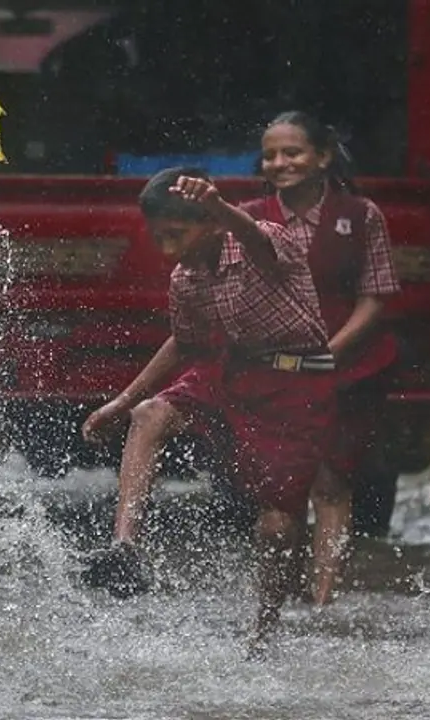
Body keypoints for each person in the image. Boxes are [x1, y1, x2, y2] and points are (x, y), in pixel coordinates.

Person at [80, 166, 336, 654]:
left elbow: (255, 238)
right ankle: (126, 548)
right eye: (158, 236)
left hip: (295, 382)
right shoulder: (185, 278)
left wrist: (221, 208)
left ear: (213, 223)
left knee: (278, 523)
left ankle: (264, 631)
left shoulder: (264, 240)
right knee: (149, 415)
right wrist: (122, 400)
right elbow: (185, 341)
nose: (167, 248)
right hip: (230, 369)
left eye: (176, 234)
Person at [241, 111, 402, 604]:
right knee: (277, 488)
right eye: (270, 155)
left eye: (292, 152)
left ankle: (323, 598)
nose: (279, 163)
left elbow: (375, 298)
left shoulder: (360, 216)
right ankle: (279, 590)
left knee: (331, 480)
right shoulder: (248, 216)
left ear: (323, 157)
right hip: (274, 373)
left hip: (347, 370)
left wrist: (326, 354)